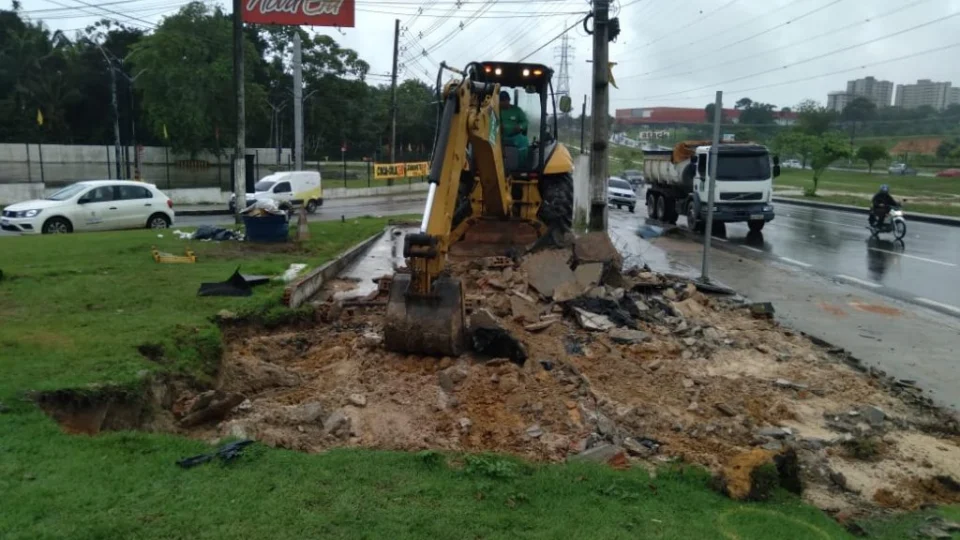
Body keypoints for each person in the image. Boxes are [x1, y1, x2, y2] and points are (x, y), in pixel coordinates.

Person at [499, 90, 529, 164]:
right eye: (501, 101)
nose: (503, 103)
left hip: (514, 137)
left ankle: (522, 164)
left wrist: (520, 127)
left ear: (509, 100)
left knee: (524, 140)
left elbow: (525, 122)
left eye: (505, 100)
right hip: (499, 137)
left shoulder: (517, 110)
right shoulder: (495, 110)